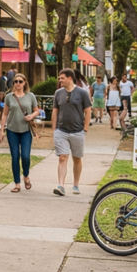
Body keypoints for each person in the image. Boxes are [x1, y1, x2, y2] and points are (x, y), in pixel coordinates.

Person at [52, 68, 91, 196]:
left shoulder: (82, 93)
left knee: (76, 158)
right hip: (61, 131)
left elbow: (88, 111)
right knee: (62, 157)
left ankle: (75, 184)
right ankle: (61, 186)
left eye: (62, 78)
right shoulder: (58, 93)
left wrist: (85, 128)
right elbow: (55, 111)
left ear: (70, 78)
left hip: (78, 131)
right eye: (59, 78)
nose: (60, 80)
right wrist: (54, 129)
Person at [0, 73, 41, 191]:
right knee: (15, 157)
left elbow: (37, 111)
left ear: (24, 83)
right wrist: (1, 130)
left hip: (26, 131)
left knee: (25, 156)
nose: (17, 84)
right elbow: (5, 114)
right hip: (12, 130)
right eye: (15, 82)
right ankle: (17, 183)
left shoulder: (30, 96)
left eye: (20, 81)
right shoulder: (9, 97)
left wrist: (31, 116)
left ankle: (26, 176)